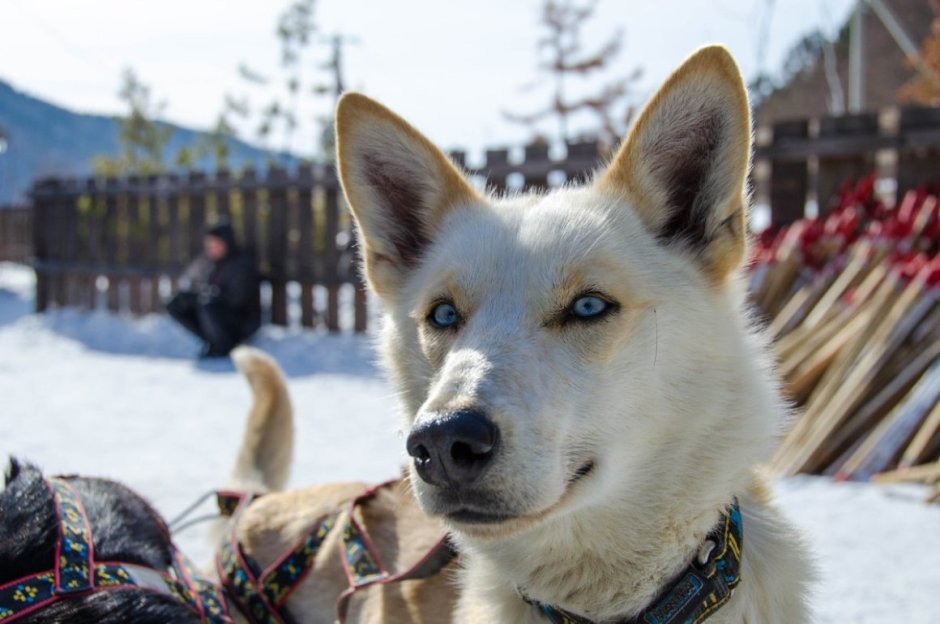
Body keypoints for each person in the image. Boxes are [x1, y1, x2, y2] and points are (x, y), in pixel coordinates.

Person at [166, 219, 261, 358]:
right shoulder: (209, 265)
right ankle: (212, 341)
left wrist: (212, 295)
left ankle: (225, 345)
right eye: (209, 245)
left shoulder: (241, 265)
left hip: (239, 322)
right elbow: (196, 284)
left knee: (208, 304)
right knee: (177, 303)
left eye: (216, 244)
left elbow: (237, 300)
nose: (211, 248)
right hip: (213, 311)